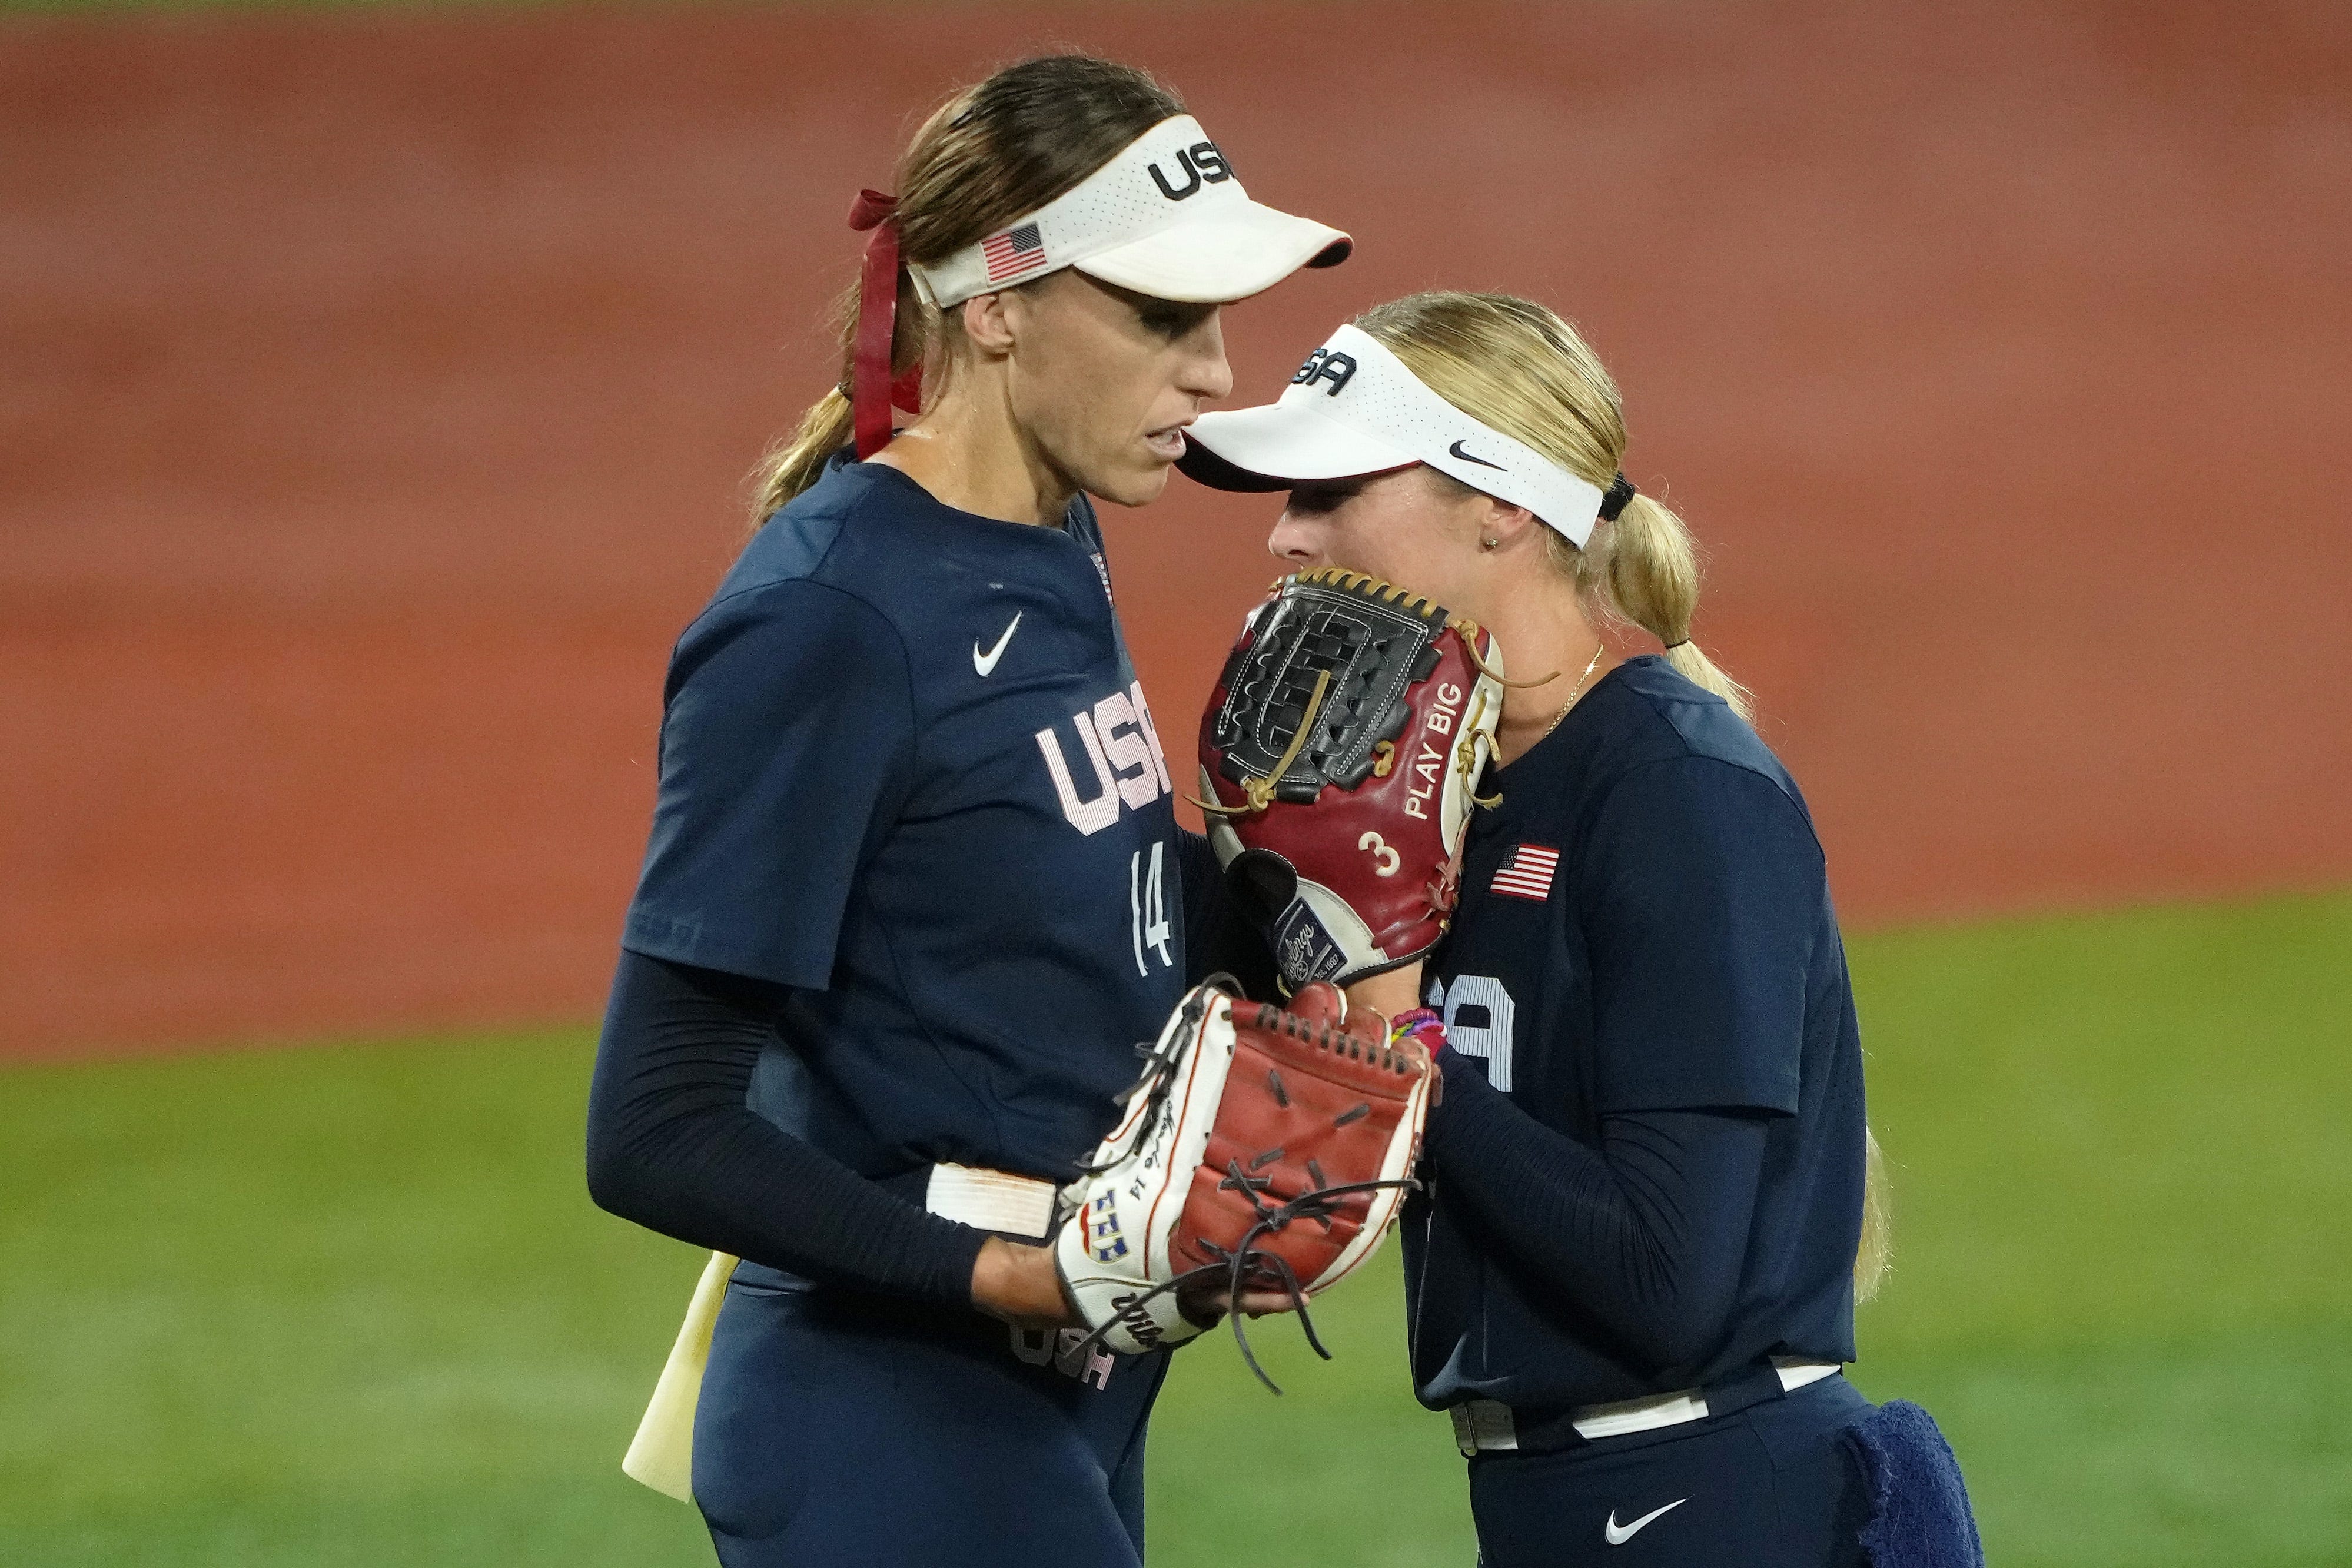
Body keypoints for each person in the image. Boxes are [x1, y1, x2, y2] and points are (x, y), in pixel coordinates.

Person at [583, 55, 1348, 1568]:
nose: (1213, 372)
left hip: (1063, 1391)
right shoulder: (830, 622)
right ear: (995, 305)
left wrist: (1303, 917)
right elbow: (655, 1131)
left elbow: (1047, 884)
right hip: (889, 1413)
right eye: (1160, 317)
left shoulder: (1052, 531)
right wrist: (1024, 1277)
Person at [1177, 292, 1978, 1567]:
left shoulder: (1678, 794)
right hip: (1564, 1500)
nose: (1286, 537)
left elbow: (1668, 1278)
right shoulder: (1405, 814)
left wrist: (1399, 1052)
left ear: (1500, 500)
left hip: (1711, 1499)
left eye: (1331, 492)